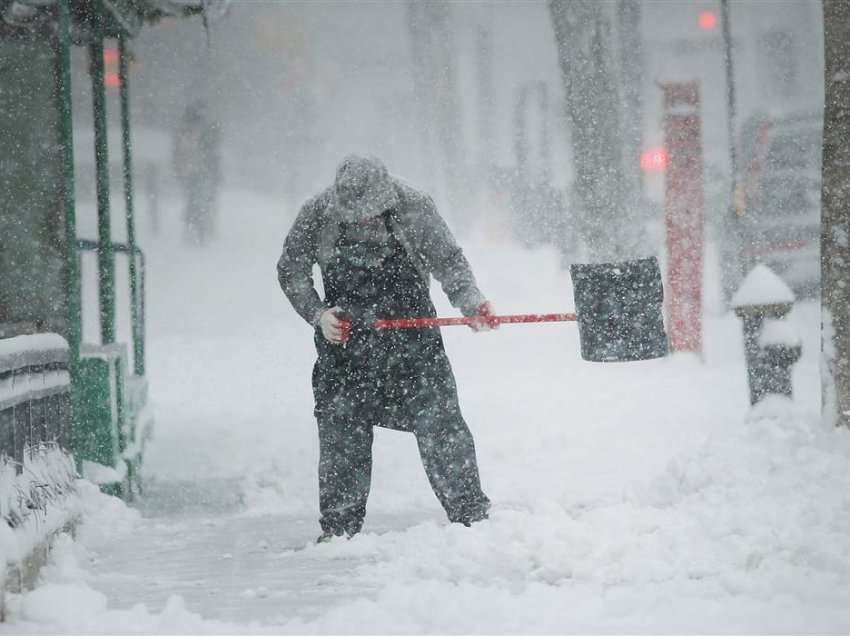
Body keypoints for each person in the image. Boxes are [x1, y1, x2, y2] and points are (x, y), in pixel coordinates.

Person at [277, 155, 494, 543]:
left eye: (371, 216)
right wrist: (318, 314)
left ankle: (471, 516)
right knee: (342, 434)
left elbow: (448, 260)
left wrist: (471, 301)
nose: (362, 223)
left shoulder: (415, 206)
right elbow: (291, 270)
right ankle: (340, 529)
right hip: (345, 348)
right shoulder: (315, 213)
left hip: (413, 345)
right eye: (353, 218)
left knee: (441, 424)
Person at [172, 101, 220, 245]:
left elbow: (178, 152)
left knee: (194, 200)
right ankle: (197, 228)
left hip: (192, 171)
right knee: (198, 200)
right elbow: (211, 150)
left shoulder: (185, 130)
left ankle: (194, 228)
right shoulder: (203, 130)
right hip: (198, 171)